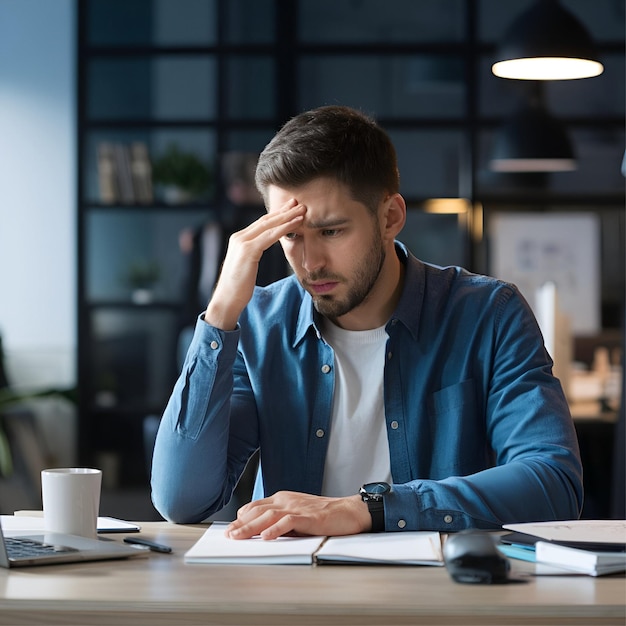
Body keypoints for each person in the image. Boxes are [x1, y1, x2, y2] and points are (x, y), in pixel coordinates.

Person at [151, 105, 583, 540]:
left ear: (390, 217)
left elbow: (553, 481)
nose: (310, 262)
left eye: (332, 231)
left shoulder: (489, 314)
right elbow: (183, 501)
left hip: (441, 593)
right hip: (290, 594)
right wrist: (222, 312)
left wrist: (369, 509)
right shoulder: (260, 324)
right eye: (290, 235)